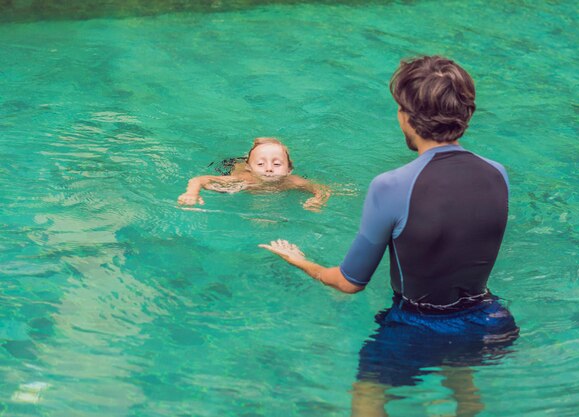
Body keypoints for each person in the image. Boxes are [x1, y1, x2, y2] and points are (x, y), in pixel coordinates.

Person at [259, 56, 519, 416]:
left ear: (406, 116)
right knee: (463, 385)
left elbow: (350, 282)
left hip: (418, 322)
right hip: (485, 317)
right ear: (467, 113)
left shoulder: (391, 186)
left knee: (367, 399)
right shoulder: (498, 173)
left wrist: (301, 261)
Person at [177, 137, 330, 211]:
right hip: (232, 165)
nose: (269, 169)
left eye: (277, 164)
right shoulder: (242, 180)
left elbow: (322, 188)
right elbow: (199, 179)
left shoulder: (292, 181)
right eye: (261, 164)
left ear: (289, 170)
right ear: (250, 168)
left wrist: (318, 200)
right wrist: (192, 193)